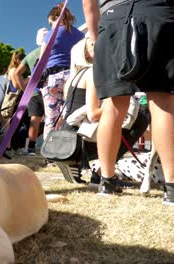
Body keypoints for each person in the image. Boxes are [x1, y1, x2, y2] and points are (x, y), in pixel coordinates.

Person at [82, 0, 174, 205]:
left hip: (112, 20)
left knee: (112, 106)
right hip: (157, 13)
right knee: (162, 100)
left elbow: (89, 6)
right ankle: (172, 187)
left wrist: (98, 37)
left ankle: (106, 181)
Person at [60, 37, 149, 184]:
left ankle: (80, 163)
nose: (100, 44)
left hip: (68, 136)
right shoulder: (92, 73)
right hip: (81, 139)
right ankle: (102, 171)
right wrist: (121, 105)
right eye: (93, 44)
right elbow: (93, 114)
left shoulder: (72, 78)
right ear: (85, 54)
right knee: (140, 118)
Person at [40, 3, 85, 139]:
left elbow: (42, 59)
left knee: (51, 118)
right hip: (73, 77)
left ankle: (49, 154)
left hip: (52, 78)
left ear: (55, 18)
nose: (50, 25)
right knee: (69, 116)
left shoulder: (49, 35)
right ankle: (67, 150)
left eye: (50, 22)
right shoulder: (80, 35)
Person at [14, 28, 48, 155]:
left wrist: (25, 89)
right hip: (50, 88)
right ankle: (50, 148)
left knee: (35, 120)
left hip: (33, 92)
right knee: (53, 119)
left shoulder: (30, 55)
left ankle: (31, 148)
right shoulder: (52, 51)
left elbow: (17, 73)